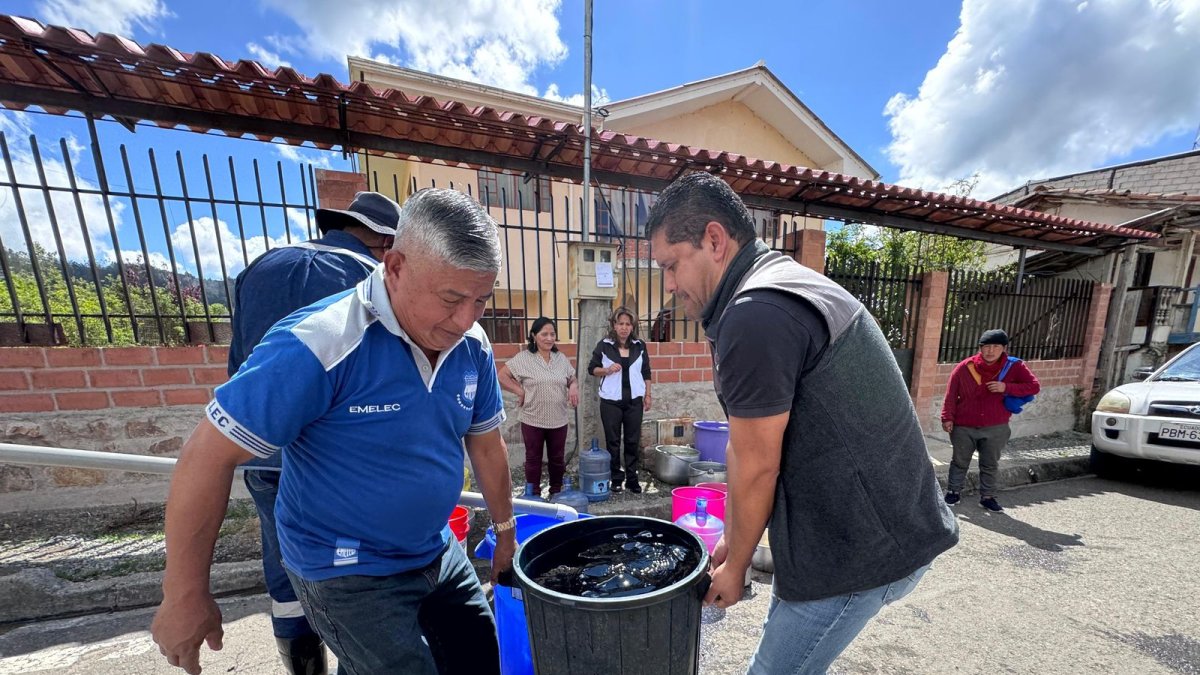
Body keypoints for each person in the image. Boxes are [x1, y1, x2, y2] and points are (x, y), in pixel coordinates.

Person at [152, 188, 515, 675]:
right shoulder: (319, 343)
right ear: (396, 266)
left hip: (433, 549)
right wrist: (185, 594)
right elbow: (205, 456)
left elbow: (486, 446)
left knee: (479, 655)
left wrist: (506, 534)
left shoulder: (471, 344)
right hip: (346, 570)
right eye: (451, 299)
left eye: (481, 300)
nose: (467, 319)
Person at [645, 172, 958, 674]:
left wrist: (739, 565)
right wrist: (733, 539)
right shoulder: (772, 283)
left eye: (670, 265)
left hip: (856, 547)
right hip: (851, 533)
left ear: (714, 240)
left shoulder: (756, 312)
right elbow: (753, 454)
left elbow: (754, 464)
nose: (669, 284)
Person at [227, 190, 399, 674]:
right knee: (355, 572)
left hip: (263, 454)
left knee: (285, 565)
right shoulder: (370, 281)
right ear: (386, 244)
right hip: (338, 463)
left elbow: (240, 366)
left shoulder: (257, 269)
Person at [940, 329, 1041, 512]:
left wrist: (1006, 387)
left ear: (1004, 348)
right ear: (980, 348)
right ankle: (953, 492)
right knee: (959, 461)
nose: (990, 351)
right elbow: (950, 395)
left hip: (996, 426)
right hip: (964, 425)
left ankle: (988, 497)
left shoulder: (1014, 367)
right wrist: (947, 417)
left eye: (996, 346)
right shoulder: (965, 367)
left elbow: (1034, 386)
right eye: (986, 346)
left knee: (990, 463)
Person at [497, 316, 579, 496]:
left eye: (552, 334)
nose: (549, 338)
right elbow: (502, 375)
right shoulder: (524, 358)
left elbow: (571, 377)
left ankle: (556, 491)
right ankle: (533, 493)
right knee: (533, 459)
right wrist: (520, 391)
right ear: (534, 336)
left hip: (558, 418)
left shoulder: (560, 358)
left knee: (557, 459)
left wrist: (573, 386)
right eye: (544, 334)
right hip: (532, 417)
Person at [588, 306, 652, 493]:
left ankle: (632, 479)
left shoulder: (639, 346)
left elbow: (646, 371)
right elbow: (592, 369)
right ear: (614, 326)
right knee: (613, 441)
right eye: (620, 323)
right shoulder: (604, 345)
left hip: (634, 401)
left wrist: (648, 394)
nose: (624, 327)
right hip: (611, 402)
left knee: (632, 441)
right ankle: (616, 478)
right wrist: (607, 370)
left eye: (627, 324)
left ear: (632, 327)